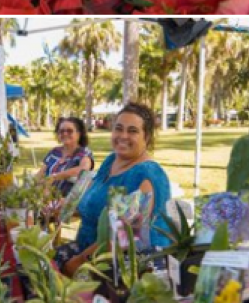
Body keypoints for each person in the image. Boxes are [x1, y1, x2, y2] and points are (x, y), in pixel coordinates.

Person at [55, 103, 172, 276]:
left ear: (146, 137)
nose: (123, 136)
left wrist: (78, 263)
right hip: (89, 246)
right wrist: (64, 208)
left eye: (132, 131)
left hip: (130, 263)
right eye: (119, 128)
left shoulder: (147, 175)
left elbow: (122, 238)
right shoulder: (112, 161)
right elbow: (96, 203)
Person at [38, 117, 94, 196]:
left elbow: (83, 169)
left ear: (78, 134)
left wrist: (55, 177)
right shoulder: (54, 152)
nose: (65, 133)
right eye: (61, 131)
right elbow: (40, 173)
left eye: (69, 131)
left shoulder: (84, 153)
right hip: (44, 198)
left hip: (67, 201)